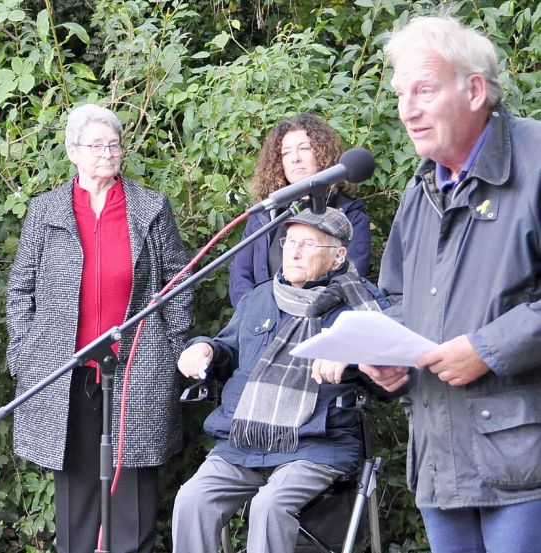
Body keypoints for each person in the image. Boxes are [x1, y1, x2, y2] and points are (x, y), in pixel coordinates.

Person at [360, 15, 541, 553]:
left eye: (424, 90)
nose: (407, 110)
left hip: (526, 462)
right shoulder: (421, 192)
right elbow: (399, 300)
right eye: (400, 95)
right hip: (440, 462)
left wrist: (487, 349)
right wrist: (383, 353)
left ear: (475, 89)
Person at [5, 104, 193, 553]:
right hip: (65, 373)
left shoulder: (150, 208)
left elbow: (179, 282)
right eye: (96, 146)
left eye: (114, 145)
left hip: (136, 370)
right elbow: (20, 290)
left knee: (132, 497)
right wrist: (24, 353)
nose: (108, 154)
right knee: (78, 496)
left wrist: (174, 350)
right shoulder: (46, 211)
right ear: (73, 151)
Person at [172, 208, 388, 553]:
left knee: (269, 505)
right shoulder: (260, 297)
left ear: (338, 256)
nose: (294, 251)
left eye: (308, 244)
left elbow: (388, 374)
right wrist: (203, 349)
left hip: (317, 443)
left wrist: (355, 356)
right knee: (192, 499)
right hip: (244, 440)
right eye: (290, 242)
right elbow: (227, 347)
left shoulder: (361, 306)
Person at [228, 113, 371, 307]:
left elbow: (353, 277)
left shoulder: (349, 212)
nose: (295, 158)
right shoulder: (265, 214)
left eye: (304, 148)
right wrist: (255, 313)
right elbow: (241, 274)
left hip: (320, 322)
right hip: (262, 323)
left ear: (323, 154)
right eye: (286, 152)